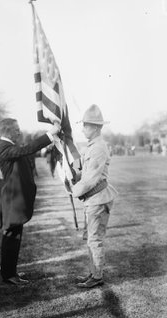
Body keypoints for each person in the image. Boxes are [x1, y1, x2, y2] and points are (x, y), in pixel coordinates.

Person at [0, 118, 60, 286]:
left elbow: (28, 152)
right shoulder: (4, 148)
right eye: (16, 129)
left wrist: (50, 143)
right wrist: (49, 134)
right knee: (11, 239)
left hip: (14, 201)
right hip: (12, 201)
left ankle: (10, 271)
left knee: (13, 239)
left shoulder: (9, 146)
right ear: (8, 131)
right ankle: (9, 274)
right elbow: (26, 149)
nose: (19, 131)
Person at [71, 104, 118, 288]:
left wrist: (74, 190)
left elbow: (90, 179)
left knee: (94, 239)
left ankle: (97, 276)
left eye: (86, 125)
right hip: (94, 198)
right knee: (92, 237)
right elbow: (86, 172)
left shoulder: (98, 148)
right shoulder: (93, 146)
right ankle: (93, 272)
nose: (82, 129)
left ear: (96, 127)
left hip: (98, 198)